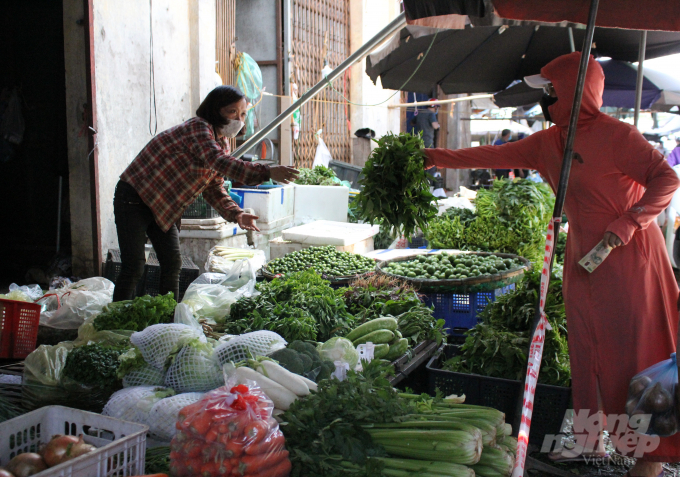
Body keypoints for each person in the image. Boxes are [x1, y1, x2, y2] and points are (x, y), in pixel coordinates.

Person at [424, 52, 680, 477]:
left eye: (552, 90)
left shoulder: (620, 137)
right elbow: (491, 155)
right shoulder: (550, 142)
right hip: (583, 261)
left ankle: (648, 457)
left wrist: (629, 222)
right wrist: (434, 158)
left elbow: (667, 179)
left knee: (635, 351)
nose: (547, 99)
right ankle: (589, 439)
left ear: (578, 90)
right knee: (587, 349)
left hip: (630, 257)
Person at [113, 85, 298, 302]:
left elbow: (213, 186)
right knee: (134, 267)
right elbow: (218, 162)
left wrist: (237, 214)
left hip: (163, 206)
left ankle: (168, 319)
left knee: (172, 264)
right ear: (215, 110)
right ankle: (118, 317)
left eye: (242, 114)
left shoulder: (222, 142)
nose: (239, 119)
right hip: (135, 197)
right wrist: (266, 171)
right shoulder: (199, 128)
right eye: (232, 112)